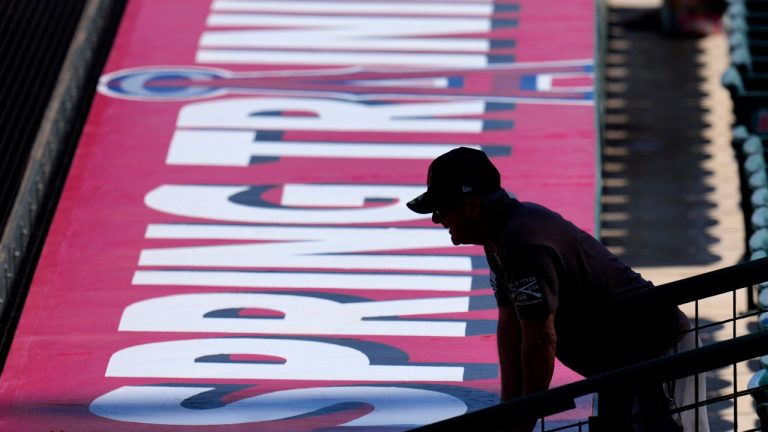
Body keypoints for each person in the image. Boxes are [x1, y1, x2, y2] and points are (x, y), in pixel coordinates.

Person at [406, 147, 709, 432]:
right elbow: (511, 325)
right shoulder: (499, 235)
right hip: (621, 363)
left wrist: (523, 418)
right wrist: (511, 405)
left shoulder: (523, 242)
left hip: (658, 354)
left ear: (472, 206)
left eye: (441, 209)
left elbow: (540, 338)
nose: (436, 219)